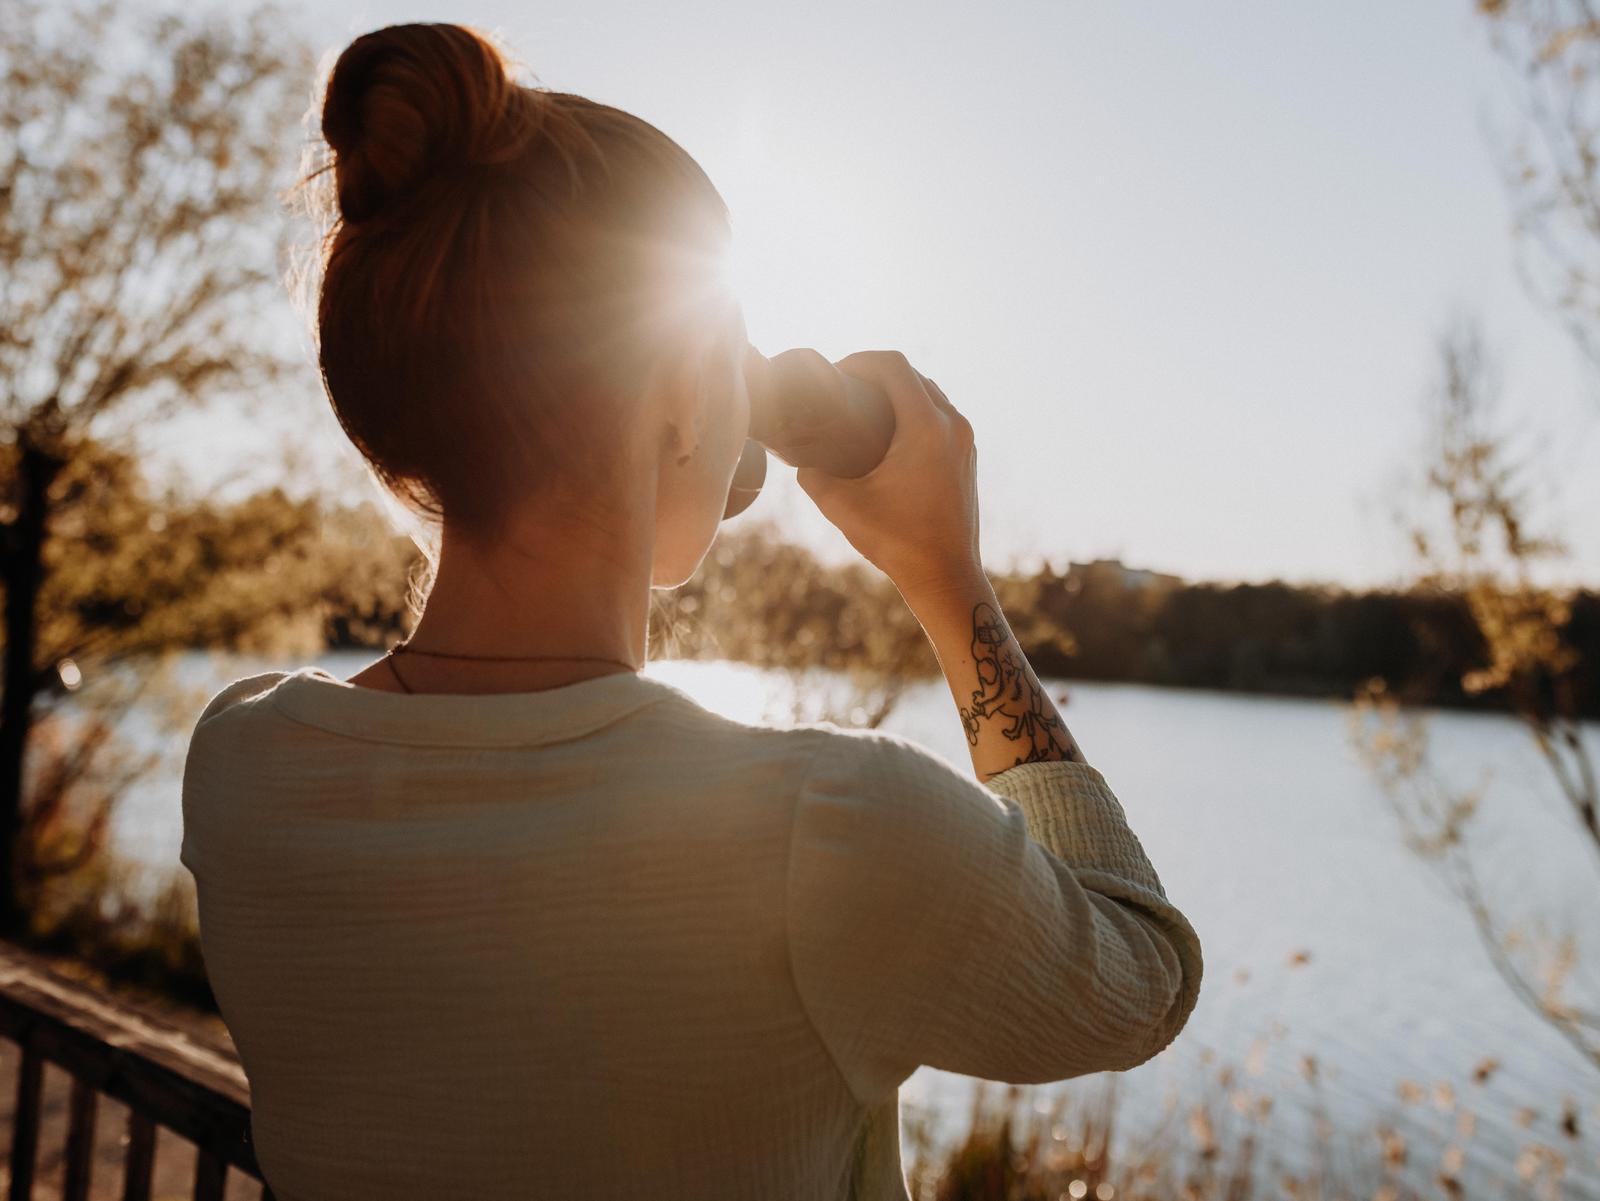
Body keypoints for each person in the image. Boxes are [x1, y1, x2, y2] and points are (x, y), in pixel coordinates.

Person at [179, 21, 1202, 1201]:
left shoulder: (244, 765)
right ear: (674, 404)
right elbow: (1140, 978)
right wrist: (946, 579)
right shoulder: (826, 826)